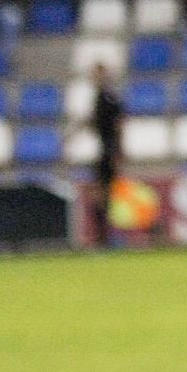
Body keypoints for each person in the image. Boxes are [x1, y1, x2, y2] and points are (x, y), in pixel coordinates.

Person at [83, 63, 123, 248]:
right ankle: (102, 234)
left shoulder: (109, 97)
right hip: (102, 149)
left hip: (108, 149)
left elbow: (118, 124)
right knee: (100, 192)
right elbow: (94, 121)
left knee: (105, 192)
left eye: (98, 74)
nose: (95, 77)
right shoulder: (99, 97)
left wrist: (118, 150)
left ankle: (105, 235)